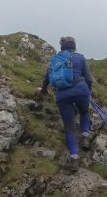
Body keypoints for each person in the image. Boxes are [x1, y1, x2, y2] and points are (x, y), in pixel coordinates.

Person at [39, 36, 93, 172]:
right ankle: (85, 136)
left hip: (62, 95)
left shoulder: (56, 60)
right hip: (81, 90)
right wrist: (88, 91)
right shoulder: (80, 57)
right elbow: (89, 79)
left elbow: (47, 78)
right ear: (74, 46)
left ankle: (74, 159)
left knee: (69, 127)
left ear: (62, 46)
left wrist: (43, 90)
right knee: (84, 112)